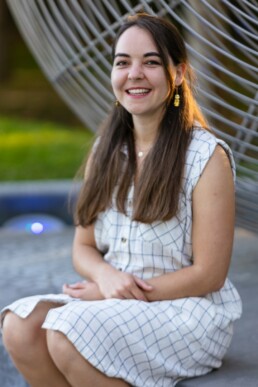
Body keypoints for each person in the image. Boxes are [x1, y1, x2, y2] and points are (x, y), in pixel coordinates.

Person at [1, 13, 242, 387]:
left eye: (150, 62)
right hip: (114, 301)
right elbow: (83, 247)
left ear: (177, 74)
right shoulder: (107, 149)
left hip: (186, 310)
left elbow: (209, 275)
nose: (134, 74)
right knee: (18, 326)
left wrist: (114, 293)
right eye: (122, 62)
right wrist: (106, 278)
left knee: (65, 336)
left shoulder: (206, 156)